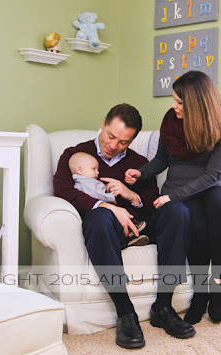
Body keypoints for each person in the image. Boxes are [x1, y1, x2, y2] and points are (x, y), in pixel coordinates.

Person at [54, 104, 195, 350]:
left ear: (132, 140)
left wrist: (130, 195)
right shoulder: (75, 155)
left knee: (178, 211)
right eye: (111, 136)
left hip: (141, 223)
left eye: (123, 142)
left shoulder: (139, 162)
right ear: (103, 124)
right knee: (99, 219)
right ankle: (125, 313)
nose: (113, 145)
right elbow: (63, 191)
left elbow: (152, 202)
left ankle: (163, 306)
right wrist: (107, 206)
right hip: (107, 228)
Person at [125, 70, 221, 325]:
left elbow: (212, 175)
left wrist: (173, 196)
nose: (173, 106)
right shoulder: (171, 122)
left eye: (179, 102)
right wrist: (141, 173)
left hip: (215, 185)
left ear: (198, 104)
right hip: (183, 190)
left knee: (218, 207)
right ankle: (200, 293)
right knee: (194, 221)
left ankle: (217, 285)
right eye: (174, 99)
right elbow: (161, 161)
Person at [68, 151, 148, 246]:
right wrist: (111, 197)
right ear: (80, 170)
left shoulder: (87, 181)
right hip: (97, 215)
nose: (97, 172)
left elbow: (96, 190)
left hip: (100, 214)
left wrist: (106, 188)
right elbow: (96, 194)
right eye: (93, 169)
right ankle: (129, 234)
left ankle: (128, 238)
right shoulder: (84, 181)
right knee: (112, 217)